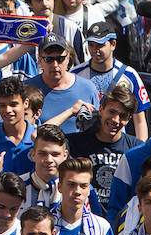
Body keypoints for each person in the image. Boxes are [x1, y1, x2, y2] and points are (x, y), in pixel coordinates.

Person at [58, 85, 142, 216]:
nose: (116, 120)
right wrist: (71, 111)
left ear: (129, 119)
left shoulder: (135, 148)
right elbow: (39, 136)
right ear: (101, 110)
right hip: (85, 218)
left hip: (121, 223)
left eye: (123, 116)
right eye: (112, 112)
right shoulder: (78, 142)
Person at [72, 22, 150, 141]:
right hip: (84, 144)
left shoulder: (129, 75)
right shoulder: (75, 74)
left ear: (113, 44)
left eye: (100, 45)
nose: (94, 50)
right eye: (91, 45)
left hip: (117, 143)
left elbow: (139, 119)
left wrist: (141, 151)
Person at [24, 34, 99, 135]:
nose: (55, 65)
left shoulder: (88, 88)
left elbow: (97, 130)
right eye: (49, 60)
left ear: (68, 58)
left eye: (60, 59)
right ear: (40, 60)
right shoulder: (27, 89)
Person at [0, 77, 37, 177]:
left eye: (13, 104)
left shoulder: (39, 139)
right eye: (2, 105)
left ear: (25, 103)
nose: (8, 110)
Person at [15, 124, 70, 207]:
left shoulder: (78, 188)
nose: (49, 160)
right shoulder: (15, 187)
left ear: (65, 155)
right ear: (33, 154)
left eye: (55, 154)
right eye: (43, 154)